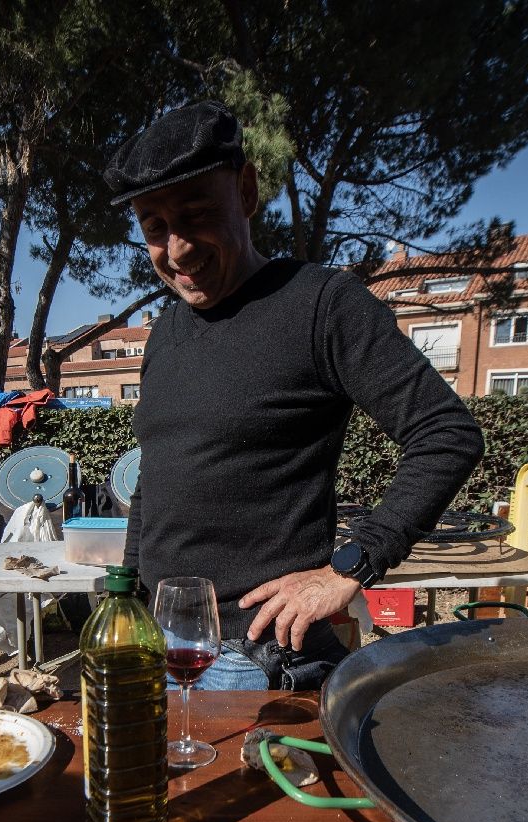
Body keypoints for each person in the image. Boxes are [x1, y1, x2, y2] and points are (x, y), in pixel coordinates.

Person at [105, 102, 484, 689]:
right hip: (159, 644)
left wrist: (352, 564)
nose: (176, 249)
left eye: (197, 213)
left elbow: (446, 434)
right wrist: (127, 598)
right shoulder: (165, 332)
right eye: (154, 226)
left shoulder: (321, 304)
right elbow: (154, 482)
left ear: (248, 191)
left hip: (255, 656)